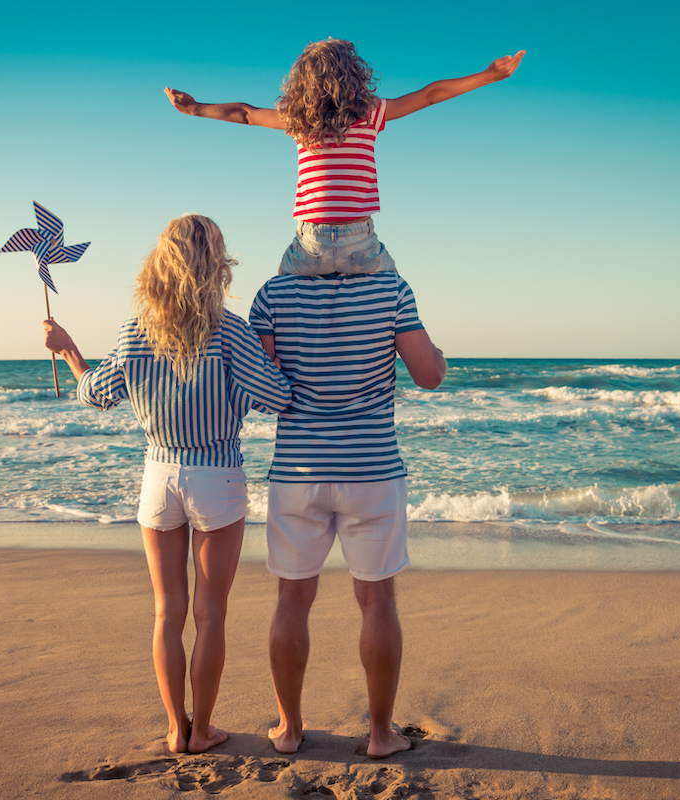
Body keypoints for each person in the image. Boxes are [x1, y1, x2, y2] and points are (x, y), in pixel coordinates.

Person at [43, 214, 291, 754]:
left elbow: (95, 392)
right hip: (218, 476)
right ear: (215, 266)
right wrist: (273, 354)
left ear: (160, 264)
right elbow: (278, 396)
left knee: (167, 612)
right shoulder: (230, 331)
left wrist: (67, 350)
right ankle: (203, 729)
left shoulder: (137, 331)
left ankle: (177, 730)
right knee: (210, 614)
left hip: (158, 476)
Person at [248, 267, 447, 758]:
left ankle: (290, 730)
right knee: (377, 602)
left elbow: (261, 388)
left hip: (298, 471)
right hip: (372, 469)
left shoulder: (273, 294)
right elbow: (430, 375)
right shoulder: (392, 289)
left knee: (292, 601)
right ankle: (381, 735)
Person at [165, 39, 524, 276]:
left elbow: (244, 113)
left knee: (275, 304)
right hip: (361, 244)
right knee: (397, 298)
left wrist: (196, 108)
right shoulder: (371, 111)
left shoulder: (297, 118)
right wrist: (489, 76)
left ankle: (270, 377)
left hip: (310, 245)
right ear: (354, 74)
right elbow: (430, 94)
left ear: (302, 81)